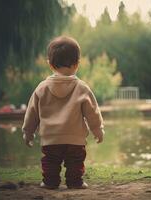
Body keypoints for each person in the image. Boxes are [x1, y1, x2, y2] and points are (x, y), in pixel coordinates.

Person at [22, 36, 104, 190]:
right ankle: (75, 182)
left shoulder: (42, 88)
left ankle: (50, 182)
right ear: (77, 64)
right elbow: (92, 112)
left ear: (50, 64)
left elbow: (32, 113)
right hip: (75, 139)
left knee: (50, 161)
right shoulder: (82, 88)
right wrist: (98, 129)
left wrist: (28, 132)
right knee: (75, 161)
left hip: (50, 138)